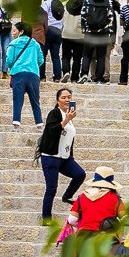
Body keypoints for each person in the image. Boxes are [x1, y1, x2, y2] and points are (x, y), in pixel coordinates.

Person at [37, 87, 85, 220]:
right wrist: (66, 120)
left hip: (64, 157)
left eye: (69, 97)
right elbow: (51, 131)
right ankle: (46, 218)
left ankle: (67, 196)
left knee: (80, 174)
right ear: (58, 100)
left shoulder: (68, 115)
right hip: (51, 157)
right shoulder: (55, 113)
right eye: (63, 97)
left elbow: (70, 138)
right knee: (51, 188)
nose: (67, 100)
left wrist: (71, 156)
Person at [7, 20, 46, 128]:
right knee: (35, 101)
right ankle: (39, 125)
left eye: (15, 31)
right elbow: (41, 60)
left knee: (18, 100)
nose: (13, 33)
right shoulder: (35, 44)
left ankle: (16, 124)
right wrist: (33, 64)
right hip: (33, 74)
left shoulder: (13, 43)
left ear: (21, 31)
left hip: (18, 74)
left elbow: (9, 60)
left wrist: (13, 66)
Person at [80, 0, 116, 83]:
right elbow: (111, 18)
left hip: (90, 32)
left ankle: (84, 74)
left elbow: (83, 15)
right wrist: (110, 32)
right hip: (103, 33)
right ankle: (99, 78)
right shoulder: (108, 2)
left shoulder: (87, 0)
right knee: (101, 56)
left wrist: (84, 29)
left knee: (87, 55)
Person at [61, 0, 87, 83]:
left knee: (65, 56)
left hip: (66, 34)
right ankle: (74, 77)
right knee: (77, 58)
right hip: (79, 35)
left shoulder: (67, 6)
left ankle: (66, 71)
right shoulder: (84, 7)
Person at [41, 0, 66, 81]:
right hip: (58, 31)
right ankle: (57, 76)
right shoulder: (59, 3)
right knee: (55, 55)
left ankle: (42, 76)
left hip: (49, 30)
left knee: (43, 54)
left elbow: (43, 17)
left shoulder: (46, 3)